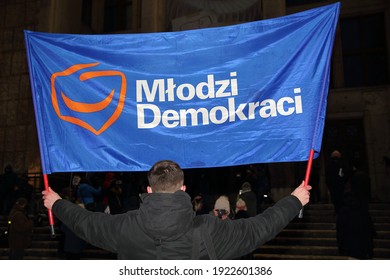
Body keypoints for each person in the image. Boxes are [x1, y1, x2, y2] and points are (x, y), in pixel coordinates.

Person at [42, 160, 311, 260]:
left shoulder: (124, 227)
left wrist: (56, 202)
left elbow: (86, 223)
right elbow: (258, 229)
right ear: (183, 189)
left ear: (149, 190)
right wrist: (294, 199)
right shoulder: (210, 229)